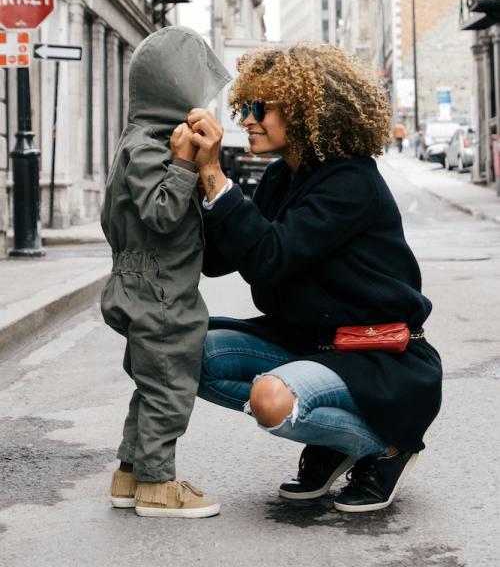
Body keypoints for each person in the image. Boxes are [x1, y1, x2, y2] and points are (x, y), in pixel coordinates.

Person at [187, 43, 442, 513]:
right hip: (305, 343)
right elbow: (220, 258)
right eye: (244, 107)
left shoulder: (351, 182)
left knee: (271, 400)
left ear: (305, 110)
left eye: (259, 108)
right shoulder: (281, 178)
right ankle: (334, 438)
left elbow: (269, 257)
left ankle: (383, 446)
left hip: (376, 356)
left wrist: (216, 177)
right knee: (183, 356)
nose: (246, 120)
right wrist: (194, 174)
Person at [100, 26, 230, 518]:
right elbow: (160, 213)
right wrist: (183, 165)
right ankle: (158, 485)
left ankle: (130, 474)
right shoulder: (154, 147)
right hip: (161, 292)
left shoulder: (135, 140)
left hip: (139, 284)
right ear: (174, 89)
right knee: (171, 389)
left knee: (150, 385)